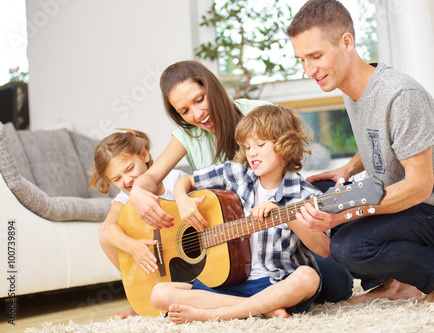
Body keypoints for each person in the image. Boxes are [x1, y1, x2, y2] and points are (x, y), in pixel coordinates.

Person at [287, 0, 434, 303]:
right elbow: (383, 142)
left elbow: (420, 185)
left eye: (316, 56)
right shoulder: (353, 90)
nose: (309, 69)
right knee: (327, 194)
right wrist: (348, 169)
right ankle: (394, 283)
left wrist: (343, 216)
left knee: (349, 246)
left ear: (347, 42)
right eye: (301, 59)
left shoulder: (399, 95)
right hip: (412, 203)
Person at [150, 104, 337, 323]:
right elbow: (186, 181)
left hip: (275, 282)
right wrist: (182, 200)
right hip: (230, 282)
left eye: (260, 144)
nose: (252, 153)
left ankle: (212, 314)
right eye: (247, 147)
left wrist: (285, 215)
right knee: (159, 293)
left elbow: (323, 249)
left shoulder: (305, 194)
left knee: (309, 277)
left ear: (286, 144)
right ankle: (263, 309)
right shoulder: (237, 173)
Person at [128, 60, 270, 229]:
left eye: (200, 99)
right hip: (226, 232)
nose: (197, 114)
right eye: (185, 111)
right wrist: (136, 193)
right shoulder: (188, 135)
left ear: (212, 88)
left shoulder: (259, 113)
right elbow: (151, 177)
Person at [89, 129, 187, 318]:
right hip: (159, 265)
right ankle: (141, 298)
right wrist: (133, 247)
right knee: (104, 232)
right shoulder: (123, 199)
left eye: (130, 169)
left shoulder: (175, 179)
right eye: (116, 179)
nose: (127, 180)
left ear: (144, 155)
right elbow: (108, 230)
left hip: (190, 261)